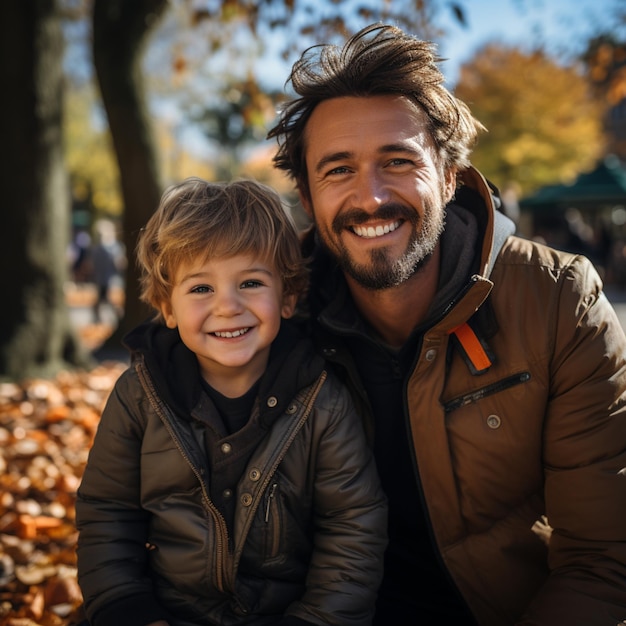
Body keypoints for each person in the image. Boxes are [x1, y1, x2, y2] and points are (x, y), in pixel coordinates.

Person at [267, 23, 626, 626]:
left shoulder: (560, 302)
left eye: (397, 160)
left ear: (451, 174)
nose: (371, 196)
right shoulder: (272, 322)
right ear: (306, 193)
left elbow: (604, 563)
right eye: (338, 170)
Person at [75, 178, 387, 626]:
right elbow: (107, 512)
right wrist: (126, 606)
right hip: (163, 611)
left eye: (250, 282)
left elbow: (353, 524)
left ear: (288, 296)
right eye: (201, 289)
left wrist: (318, 619)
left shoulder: (323, 399)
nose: (228, 306)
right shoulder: (139, 394)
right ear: (167, 307)